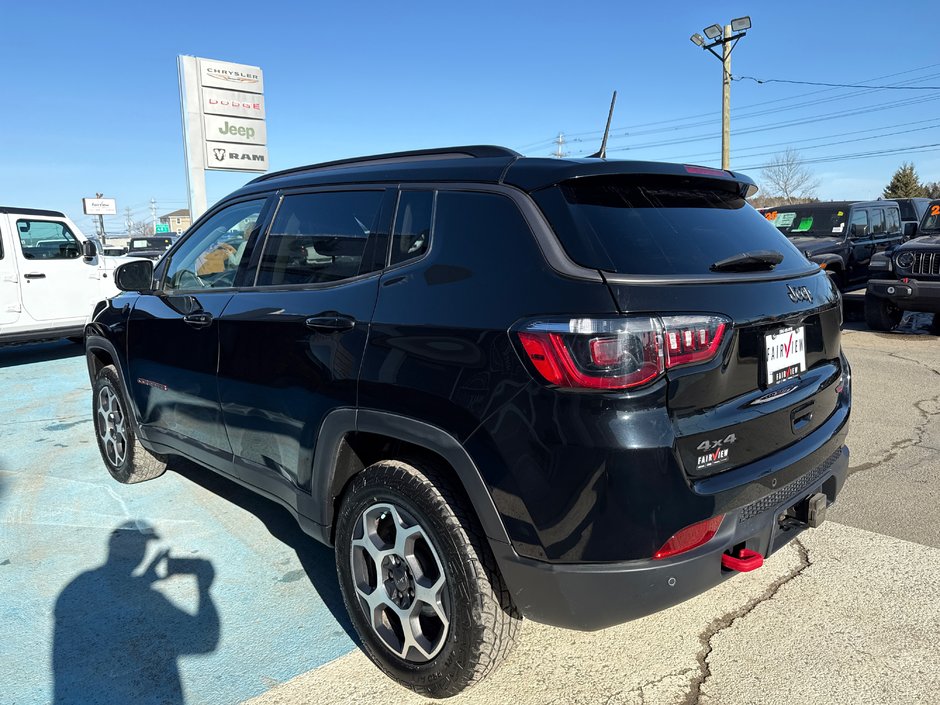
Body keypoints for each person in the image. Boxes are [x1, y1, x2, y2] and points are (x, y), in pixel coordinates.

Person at [52, 521, 219, 705]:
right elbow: (205, 642)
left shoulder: (81, 583)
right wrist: (204, 589)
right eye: (143, 545)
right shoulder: (146, 598)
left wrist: (142, 581)